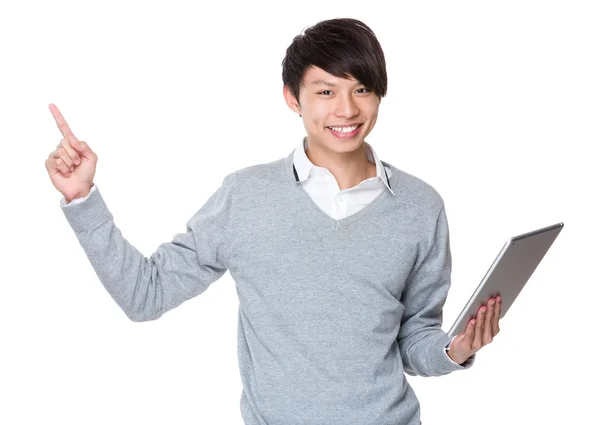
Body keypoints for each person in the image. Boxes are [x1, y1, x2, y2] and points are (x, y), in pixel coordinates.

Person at [45, 17, 501, 425]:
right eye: (325, 91)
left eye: (361, 88)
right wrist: (83, 198)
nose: (346, 109)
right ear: (292, 98)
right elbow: (144, 296)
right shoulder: (246, 197)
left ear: (380, 93)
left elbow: (413, 339)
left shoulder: (421, 207)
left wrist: (453, 350)